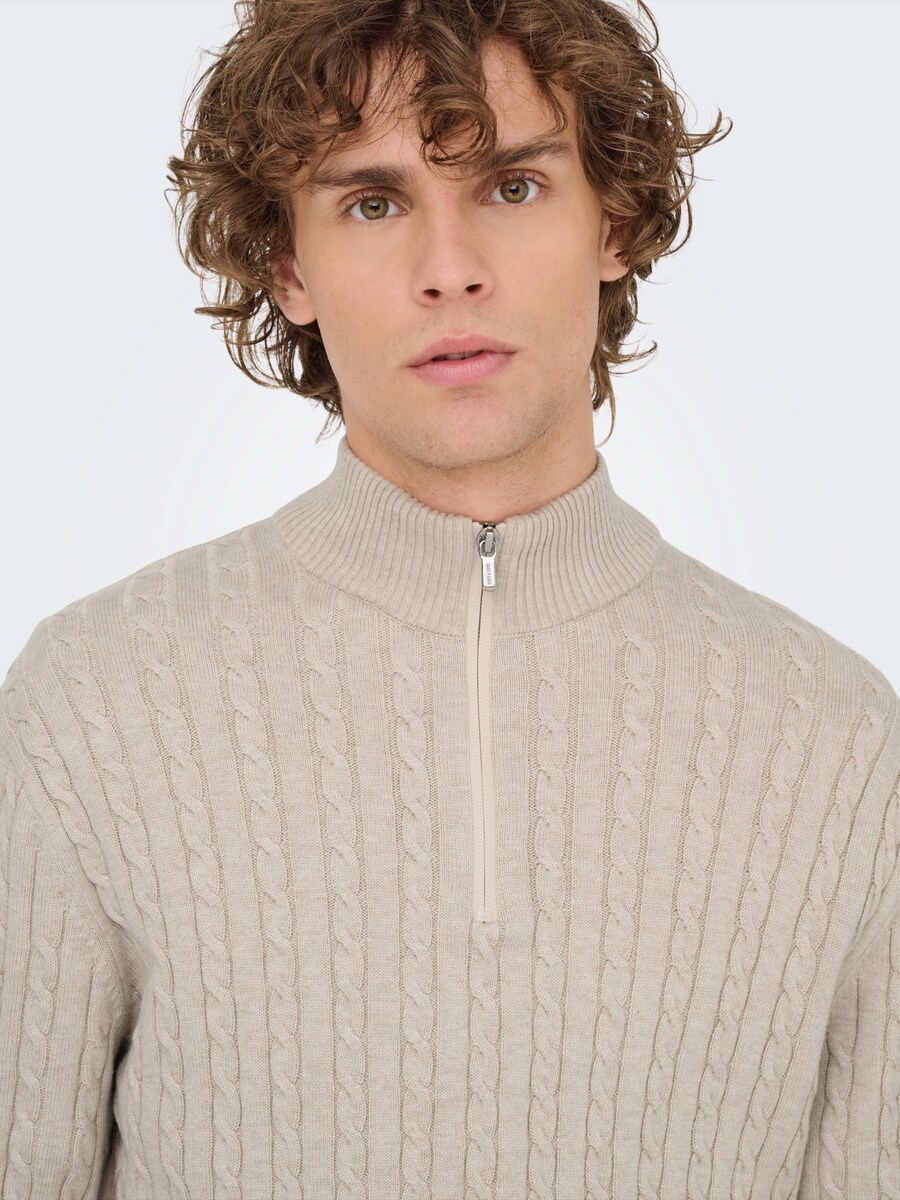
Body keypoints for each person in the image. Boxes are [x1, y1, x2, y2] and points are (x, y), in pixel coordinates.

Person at [1, 0, 897, 1196]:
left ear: (613, 222)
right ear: (288, 266)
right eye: (373, 203)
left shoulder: (840, 744)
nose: (450, 270)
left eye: (512, 187)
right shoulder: (91, 704)